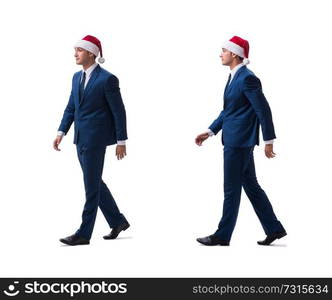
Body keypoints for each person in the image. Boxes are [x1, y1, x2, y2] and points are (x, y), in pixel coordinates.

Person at [195, 36, 286, 246]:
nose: (220, 54)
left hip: (238, 142)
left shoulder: (247, 78)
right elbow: (229, 111)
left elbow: (263, 109)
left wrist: (269, 139)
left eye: (224, 51)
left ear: (234, 54)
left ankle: (222, 235)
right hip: (236, 141)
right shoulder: (234, 76)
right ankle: (274, 228)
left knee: (231, 189)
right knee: (251, 186)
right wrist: (210, 131)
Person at [53, 35, 130, 246]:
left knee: (91, 187)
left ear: (91, 53)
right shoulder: (75, 78)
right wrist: (61, 132)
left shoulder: (107, 79)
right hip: (80, 139)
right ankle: (118, 220)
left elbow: (119, 112)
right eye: (75, 50)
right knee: (95, 182)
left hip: (96, 140)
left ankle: (83, 233)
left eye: (79, 50)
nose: (75, 54)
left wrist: (121, 140)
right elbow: (71, 107)